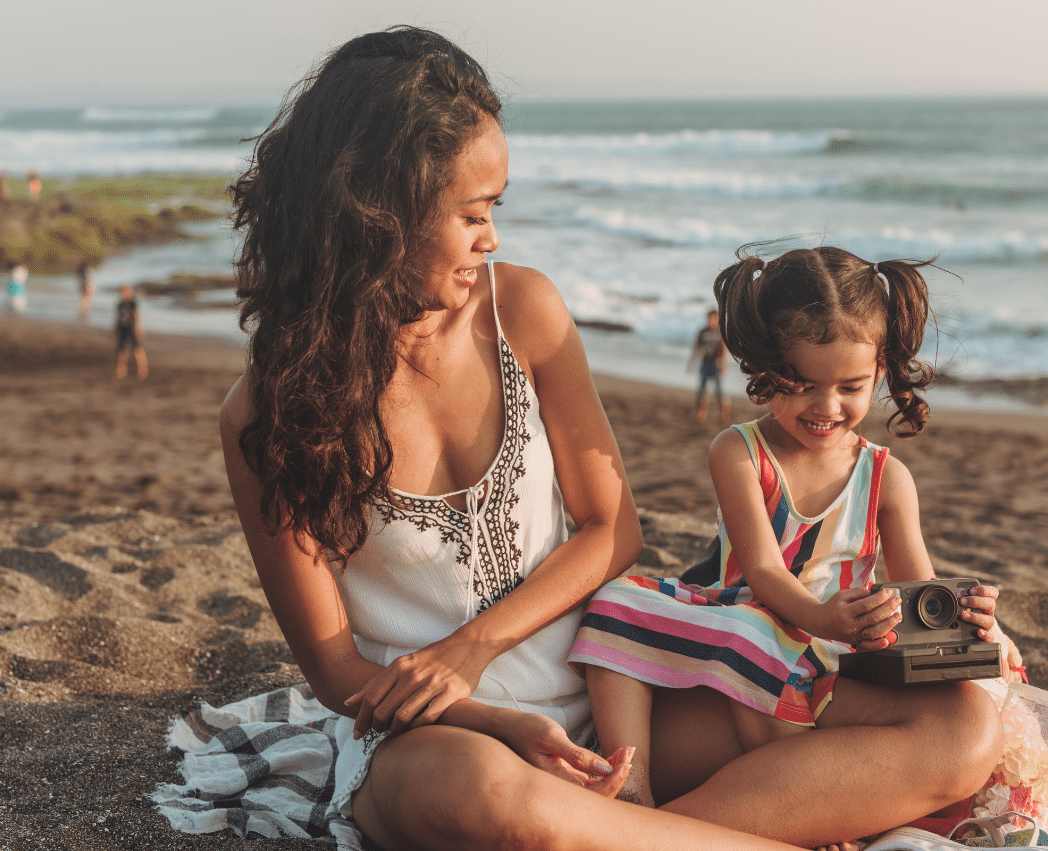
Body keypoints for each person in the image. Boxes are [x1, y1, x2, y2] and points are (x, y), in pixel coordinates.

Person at [154, 27, 814, 851]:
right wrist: (490, 715)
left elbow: (615, 530)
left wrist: (473, 646)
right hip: (433, 743)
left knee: (946, 734)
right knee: (504, 807)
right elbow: (335, 671)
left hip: (611, 691)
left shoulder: (524, 312)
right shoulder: (269, 412)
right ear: (380, 213)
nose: (491, 237)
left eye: (495, 209)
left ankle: (620, 830)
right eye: (472, 213)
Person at [570, 246, 1005, 841]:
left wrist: (971, 618)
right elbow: (765, 574)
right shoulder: (740, 451)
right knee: (616, 603)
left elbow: (916, 591)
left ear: (879, 373)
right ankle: (631, 783)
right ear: (766, 368)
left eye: (849, 387)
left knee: (978, 688)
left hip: (836, 655)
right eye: (801, 385)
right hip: (747, 626)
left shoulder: (885, 478)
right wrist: (823, 618)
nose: (826, 408)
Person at [691, 308, 731, 422]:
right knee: (702, 389)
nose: (711, 321)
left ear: (717, 319)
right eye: (709, 318)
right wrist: (693, 363)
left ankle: (724, 413)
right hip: (705, 362)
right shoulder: (703, 332)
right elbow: (697, 347)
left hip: (716, 364)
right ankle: (701, 412)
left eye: (713, 318)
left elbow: (724, 350)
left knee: (720, 390)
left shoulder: (720, 332)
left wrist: (724, 364)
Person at [113, 285, 148, 379]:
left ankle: (142, 369)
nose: (124, 294)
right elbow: (118, 318)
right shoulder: (120, 304)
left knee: (137, 349)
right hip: (122, 329)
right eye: (123, 292)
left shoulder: (133, 303)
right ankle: (121, 370)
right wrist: (115, 329)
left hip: (131, 329)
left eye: (127, 292)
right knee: (121, 350)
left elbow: (137, 317)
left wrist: (138, 329)